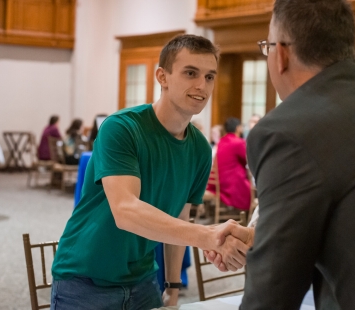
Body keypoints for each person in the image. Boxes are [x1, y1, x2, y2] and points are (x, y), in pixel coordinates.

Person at [209, 0, 355, 309]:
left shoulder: (285, 130)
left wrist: (271, 251)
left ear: (282, 55)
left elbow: (272, 293)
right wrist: (266, 240)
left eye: (267, 47)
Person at [50, 34, 251, 309]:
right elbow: (126, 211)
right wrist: (210, 237)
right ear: (163, 76)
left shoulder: (200, 150)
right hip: (86, 278)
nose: (201, 86)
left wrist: (173, 286)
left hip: (144, 279)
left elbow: (180, 218)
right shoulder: (121, 128)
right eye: (190, 73)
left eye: (209, 77)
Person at [207, 117, 251, 211]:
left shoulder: (221, 141)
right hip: (230, 183)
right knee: (250, 190)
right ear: (238, 128)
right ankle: (247, 216)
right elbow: (248, 160)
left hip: (219, 181)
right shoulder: (237, 142)